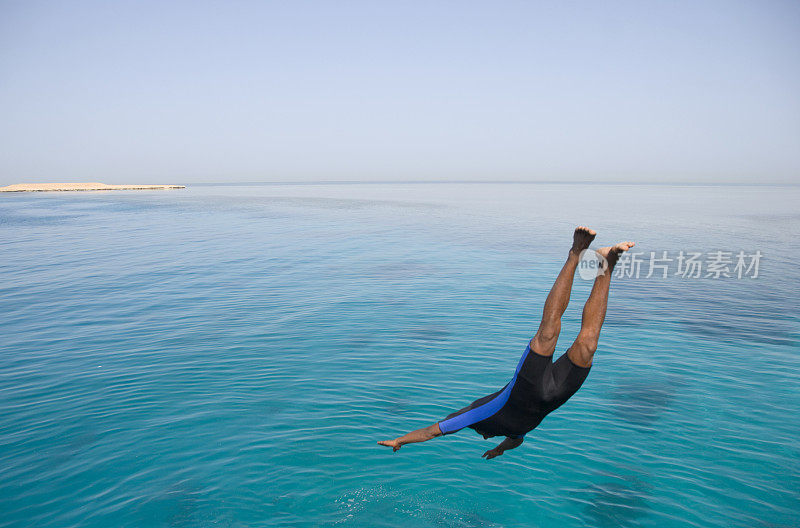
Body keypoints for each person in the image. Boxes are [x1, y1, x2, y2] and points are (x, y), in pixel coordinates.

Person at [378, 227, 634, 459]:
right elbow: (516, 441)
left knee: (548, 333)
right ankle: (606, 262)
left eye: (486, 437)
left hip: (527, 385)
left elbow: (431, 432)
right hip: (558, 392)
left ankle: (576, 251)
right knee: (588, 344)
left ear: (484, 431)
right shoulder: (514, 433)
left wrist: (401, 440)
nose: (485, 437)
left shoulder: (474, 416)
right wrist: (499, 449)